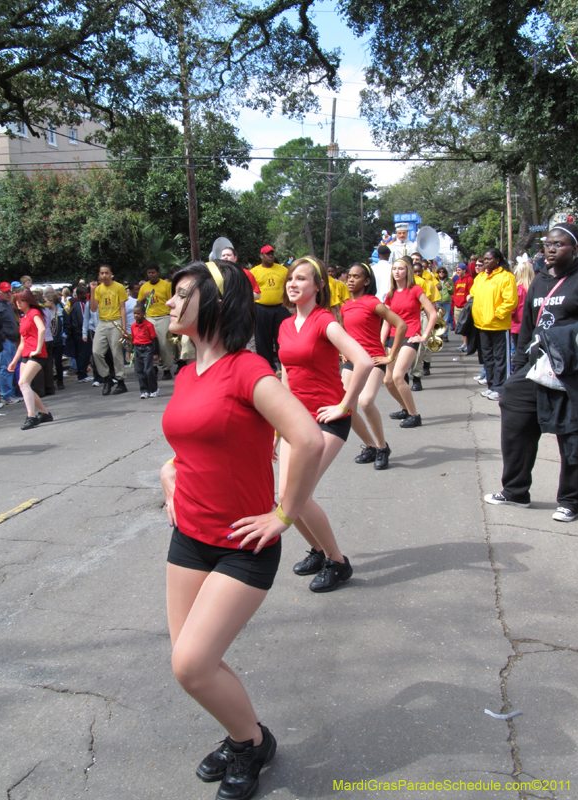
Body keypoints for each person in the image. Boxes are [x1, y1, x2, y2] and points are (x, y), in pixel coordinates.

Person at [160, 258, 324, 800]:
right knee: (192, 660)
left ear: (217, 301)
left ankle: (250, 743)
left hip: (242, 547)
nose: (171, 302)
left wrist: (282, 514)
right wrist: (169, 478)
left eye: (183, 293)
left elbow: (307, 438)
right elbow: (186, 445)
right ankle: (244, 736)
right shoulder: (187, 373)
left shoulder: (247, 368)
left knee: (191, 665)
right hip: (188, 539)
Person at [277, 256, 374, 591]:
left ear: (318, 286)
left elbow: (362, 361)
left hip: (327, 421)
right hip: (295, 421)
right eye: (291, 278)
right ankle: (318, 551)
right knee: (283, 497)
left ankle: (337, 561)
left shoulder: (324, 322)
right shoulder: (285, 325)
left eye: (302, 279)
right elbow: (287, 375)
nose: (293, 283)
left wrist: (344, 404)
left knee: (299, 497)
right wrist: (278, 427)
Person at [485, 223, 578, 523]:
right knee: (513, 409)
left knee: (571, 435)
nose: (551, 249)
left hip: (569, 372)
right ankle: (515, 491)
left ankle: (570, 500)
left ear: (575, 249)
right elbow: (527, 326)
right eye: (549, 243)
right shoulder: (539, 281)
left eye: (560, 244)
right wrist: (521, 361)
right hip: (535, 367)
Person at [342, 263, 407, 469]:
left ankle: (381, 447)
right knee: (346, 408)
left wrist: (391, 356)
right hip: (351, 361)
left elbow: (401, 325)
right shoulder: (345, 306)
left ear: (367, 281)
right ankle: (370, 446)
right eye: (349, 276)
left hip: (373, 360)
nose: (351, 280)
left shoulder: (373, 303)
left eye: (356, 277)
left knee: (366, 402)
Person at [382, 257, 438, 428]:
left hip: (410, 336)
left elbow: (433, 313)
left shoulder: (415, 289)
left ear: (407, 271)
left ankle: (415, 415)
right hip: (393, 338)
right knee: (388, 381)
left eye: (400, 268)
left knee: (398, 376)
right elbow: (386, 321)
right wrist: (380, 342)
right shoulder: (390, 294)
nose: (397, 272)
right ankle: (405, 409)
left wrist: (424, 336)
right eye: (394, 269)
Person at [470, 248, 518, 401]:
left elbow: (510, 301)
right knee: (488, 358)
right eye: (483, 259)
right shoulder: (480, 277)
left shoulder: (506, 277)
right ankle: (492, 386)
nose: (485, 262)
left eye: (488, 259)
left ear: (497, 260)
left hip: (498, 325)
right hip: (482, 325)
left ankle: (500, 388)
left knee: (500, 358)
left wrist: (497, 314)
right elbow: (473, 294)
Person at [8, 289, 53, 430]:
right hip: (26, 354)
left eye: (21, 300)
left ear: (28, 300)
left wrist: (39, 348)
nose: (18, 303)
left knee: (23, 382)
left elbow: (42, 329)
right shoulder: (23, 317)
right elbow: (22, 342)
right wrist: (14, 360)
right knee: (24, 385)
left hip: (37, 355)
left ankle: (31, 416)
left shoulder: (34, 313)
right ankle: (44, 413)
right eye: (16, 301)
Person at [90, 264, 128, 395]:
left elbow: (122, 307)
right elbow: (93, 308)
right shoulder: (98, 289)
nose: (104, 275)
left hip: (115, 321)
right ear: (99, 275)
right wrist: (93, 290)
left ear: (111, 274)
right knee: (96, 351)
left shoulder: (118, 287)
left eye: (106, 273)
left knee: (116, 350)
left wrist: (123, 327)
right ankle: (106, 378)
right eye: (102, 273)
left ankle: (120, 380)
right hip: (102, 322)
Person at [250, 245, 290, 370]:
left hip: (280, 307)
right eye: (267, 254)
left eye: (272, 253)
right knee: (263, 339)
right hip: (261, 308)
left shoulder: (283, 270)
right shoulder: (254, 271)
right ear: (261, 256)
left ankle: (285, 364)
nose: (270, 256)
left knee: (283, 337)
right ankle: (267, 367)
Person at [138, 265, 174, 380]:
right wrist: (144, 298)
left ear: (158, 272)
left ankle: (167, 369)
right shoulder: (144, 287)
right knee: (150, 344)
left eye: (153, 272)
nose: (151, 275)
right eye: (149, 273)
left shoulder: (166, 285)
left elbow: (171, 301)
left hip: (163, 316)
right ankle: (153, 368)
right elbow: (138, 304)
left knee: (164, 343)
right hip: (149, 317)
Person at [0, 282, 22, 404]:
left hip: (12, 340)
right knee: (5, 367)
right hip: (6, 341)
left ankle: (10, 393)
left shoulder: (7, 304)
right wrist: (4, 338)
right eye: (6, 292)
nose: (9, 294)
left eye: (10, 291)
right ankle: (6, 395)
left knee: (11, 367)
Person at [410, 261, 440, 388]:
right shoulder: (394, 284)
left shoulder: (423, 283)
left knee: (419, 346)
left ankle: (417, 376)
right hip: (403, 317)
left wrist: (431, 320)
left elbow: (431, 303)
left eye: (419, 272)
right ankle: (403, 375)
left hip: (420, 313)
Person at [130, 302, 159, 398]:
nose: (135, 315)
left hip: (147, 348)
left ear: (143, 313)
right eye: (134, 313)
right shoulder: (133, 326)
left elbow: (154, 339)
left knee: (148, 370)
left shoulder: (149, 325)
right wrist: (131, 351)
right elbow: (132, 339)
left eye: (138, 313)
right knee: (139, 371)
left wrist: (155, 352)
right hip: (137, 348)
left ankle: (153, 389)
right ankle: (144, 390)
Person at [511, 261, 535, 352]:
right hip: (532, 325)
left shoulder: (517, 290)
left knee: (519, 352)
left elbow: (513, 309)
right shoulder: (534, 288)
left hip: (517, 326)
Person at [452, 264, 474, 352]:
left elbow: (470, 293)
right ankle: (465, 343)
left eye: (460, 270)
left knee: (466, 326)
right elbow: (455, 293)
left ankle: (467, 344)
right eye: (457, 270)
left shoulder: (469, 279)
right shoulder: (457, 281)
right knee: (460, 327)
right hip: (457, 306)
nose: (458, 272)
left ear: (465, 270)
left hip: (465, 306)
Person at [436, 266, 454, 340]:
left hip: (446, 301)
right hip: (438, 301)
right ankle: (438, 334)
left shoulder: (449, 280)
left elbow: (452, 292)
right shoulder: (436, 280)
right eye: (440, 272)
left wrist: (449, 286)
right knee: (438, 319)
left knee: (445, 319)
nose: (441, 273)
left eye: (443, 272)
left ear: (445, 273)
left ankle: (445, 335)